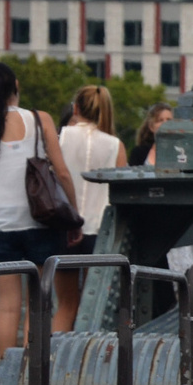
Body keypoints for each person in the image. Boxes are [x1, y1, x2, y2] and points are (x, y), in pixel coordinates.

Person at [0, 62, 76, 359]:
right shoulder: (40, 120)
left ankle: (6, 371)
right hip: (40, 222)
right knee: (37, 302)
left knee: (7, 305)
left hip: (0, 228)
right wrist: (73, 214)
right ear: (16, 84)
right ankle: (32, 370)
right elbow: (62, 172)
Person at [55, 84, 126, 331]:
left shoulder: (61, 137)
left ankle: (55, 360)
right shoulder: (115, 145)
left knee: (65, 305)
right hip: (100, 232)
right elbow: (121, 193)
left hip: (65, 227)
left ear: (75, 108)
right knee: (92, 306)